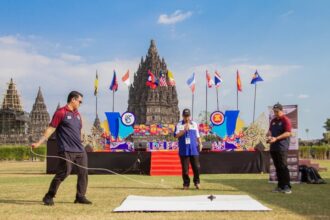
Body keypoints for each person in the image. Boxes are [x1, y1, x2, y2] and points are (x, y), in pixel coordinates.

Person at [32, 91, 92, 205]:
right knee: (64, 172)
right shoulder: (61, 112)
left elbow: (78, 130)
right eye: (80, 101)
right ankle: (49, 196)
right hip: (66, 150)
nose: (80, 103)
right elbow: (51, 128)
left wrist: (82, 140)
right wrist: (39, 143)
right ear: (73, 100)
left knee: (83, 172)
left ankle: (80, 196)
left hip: (80, 150)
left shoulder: (78, 115)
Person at [267, 103, 292, 194]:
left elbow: (288, 133)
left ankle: (287, 186)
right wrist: (269, 136)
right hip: (273, 147)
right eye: (274, 111)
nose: (275, 113)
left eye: (277, 111)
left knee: (283, 167)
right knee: (277, 167)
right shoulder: (273, 120)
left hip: (282, 147)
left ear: (282, 111)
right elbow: (269, 131)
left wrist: (276, 138)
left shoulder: (285, 120)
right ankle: (280, 186)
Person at [174, 108, 203, 190]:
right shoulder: (179, 124)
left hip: (193, 149)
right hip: (184, 150)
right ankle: (186, 184)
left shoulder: (194, 124)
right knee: (185, 170)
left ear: (190, 116)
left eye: (188, 116)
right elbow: (176, 135)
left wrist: (200, 143)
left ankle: (197, 182)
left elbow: (197, 135)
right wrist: (183, 131)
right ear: (182, 116)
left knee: (197, 167)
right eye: (185, 116)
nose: (186, 118)